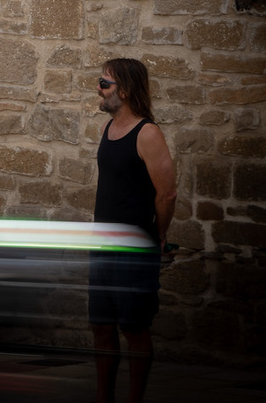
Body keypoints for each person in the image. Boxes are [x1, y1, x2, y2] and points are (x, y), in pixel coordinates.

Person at [90, 58, 177, 403]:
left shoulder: (148, 133)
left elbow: (166, 192)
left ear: (124, 91)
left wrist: (158, 236)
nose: (98, 87)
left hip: (134, 246)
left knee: (134, 328)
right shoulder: (107, 129)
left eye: (104, 83)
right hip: (102, 245)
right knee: (100, 327)